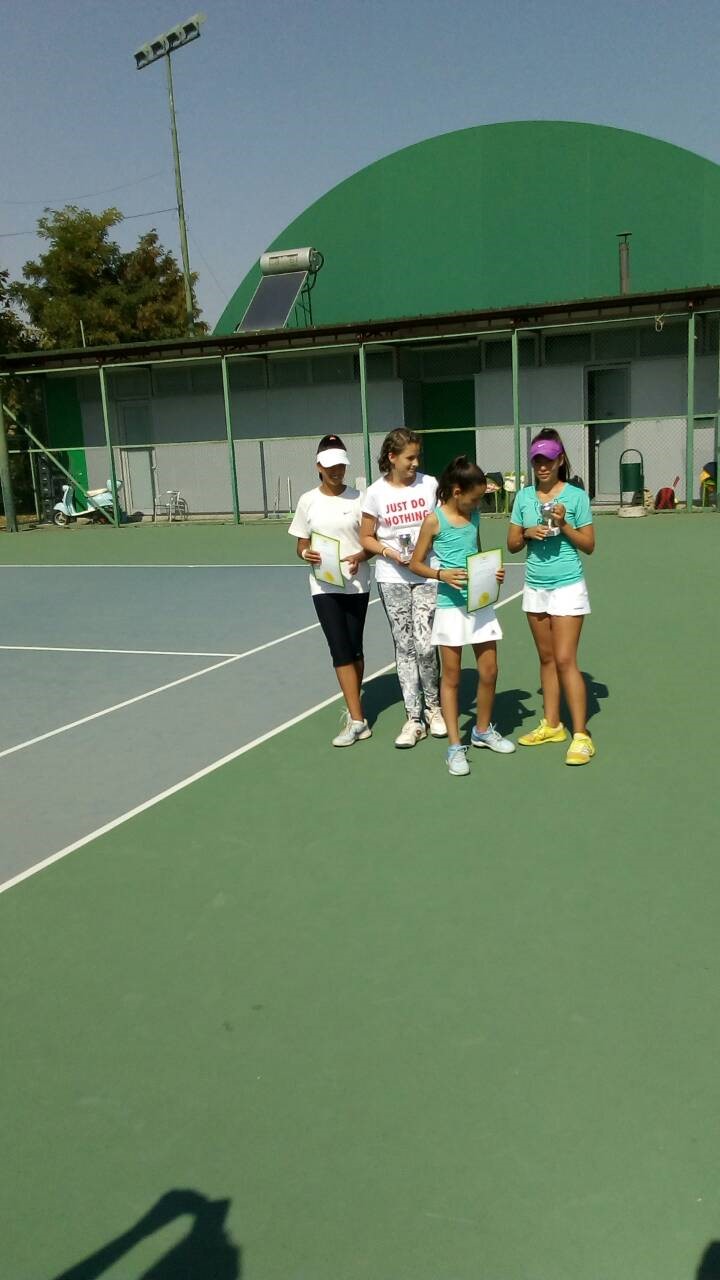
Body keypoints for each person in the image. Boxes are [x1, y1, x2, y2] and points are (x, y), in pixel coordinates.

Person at [409, 455, 513, 776]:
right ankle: (455, 747)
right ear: (457, 492)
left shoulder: (475, 516)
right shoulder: (434, 521)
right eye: (475, 498)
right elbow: (415, 563)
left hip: (480, 605)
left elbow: (477, 555)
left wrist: (492, 573)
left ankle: (481, 731)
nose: (478, 503)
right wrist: (441, 575)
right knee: (452, 677)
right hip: (450, 608)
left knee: (490, 671)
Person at [506, 428, 596, 765]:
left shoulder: (576, 497)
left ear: (560, 461)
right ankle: (553, 725)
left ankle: (582, 735)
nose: (542, 466)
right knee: (546, 659)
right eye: (536, 461)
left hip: (568, 585)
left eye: (548, 460)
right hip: (535, 586)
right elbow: (512, 544)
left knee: (564, 660)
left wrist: (565, 525)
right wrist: (528, 533)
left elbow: (589, 545)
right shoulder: (523, 498)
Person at [360, 428, 446, 748]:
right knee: (405, 646)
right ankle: (414, 718)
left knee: (425, 645)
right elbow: (366, 537)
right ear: (392, 457)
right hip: (392, 578)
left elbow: (445, 521)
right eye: (409, 458)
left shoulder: (430, 485)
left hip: (427, 575)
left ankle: (435, 708)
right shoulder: (375, 493)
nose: (415, 463)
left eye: (417, 457)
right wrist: (390, 552)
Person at [289, 434, 373, 747]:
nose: (336, 471)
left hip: (357, 583)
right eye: (330, 466)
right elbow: (301, 543)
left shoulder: (361, 499)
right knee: (339, 648)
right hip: (323, 585)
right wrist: (305, 553)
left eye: (340, 465)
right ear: (319, 467)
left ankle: (354, 707)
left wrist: (360, 556)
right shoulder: (307, 501)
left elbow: (372, 542)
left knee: (355, 648)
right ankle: (357, 720)